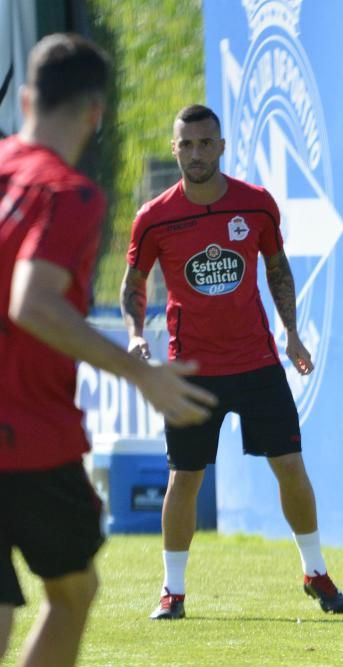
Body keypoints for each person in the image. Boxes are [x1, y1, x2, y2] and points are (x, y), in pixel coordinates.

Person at [0, 34, 217, 667]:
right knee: (72, 592)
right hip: (27, 438)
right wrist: (138, 372)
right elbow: (31, 303)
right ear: (97, 113)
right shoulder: (67, 193)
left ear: (30, 98)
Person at [120, 104, 343, 621]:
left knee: (291, 467)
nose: (196, 153)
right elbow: (134, 285)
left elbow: (278, 269)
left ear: (221, 148)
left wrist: (291, 334)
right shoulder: (154, 217)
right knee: (185, 479)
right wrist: (136, 334)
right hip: (190, 371)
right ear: (175, 148)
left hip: (256, 364)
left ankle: (315, 572)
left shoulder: (256, 205)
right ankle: (172, 591)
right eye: (187, 144)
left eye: (206, 143)